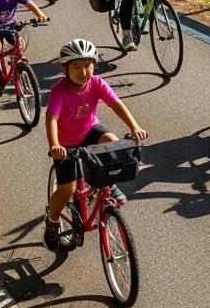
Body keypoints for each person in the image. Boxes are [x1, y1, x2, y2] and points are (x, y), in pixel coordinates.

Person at [43, 39, 148, 251]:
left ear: (94, 65)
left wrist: (134, 126)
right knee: (67, 190)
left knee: (113, 144)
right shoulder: (59, 90)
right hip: (66, 144)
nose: (82, 71)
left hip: (90, 130)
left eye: (87, 65)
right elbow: (51, 119)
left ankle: (110, 187)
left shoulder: (97, 83)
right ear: (65, 69)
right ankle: (52, 221)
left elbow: (116, 104)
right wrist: (55, 144)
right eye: (76, 66)